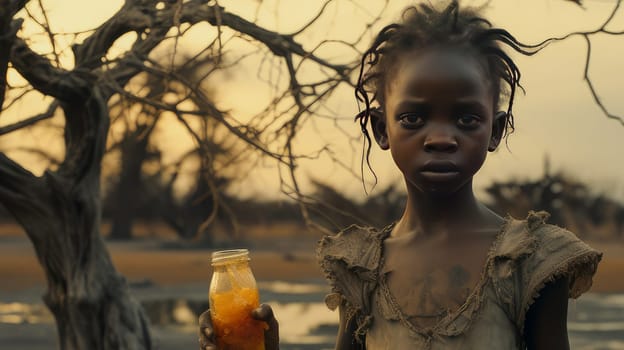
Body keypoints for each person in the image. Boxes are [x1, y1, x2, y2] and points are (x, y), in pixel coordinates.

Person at [199, 1, 602, 349]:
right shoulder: (363, 266)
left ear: (494, 131)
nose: (441, 138)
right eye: (413, 118)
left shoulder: (528, 261)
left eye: (466, 118)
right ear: (380, 128)